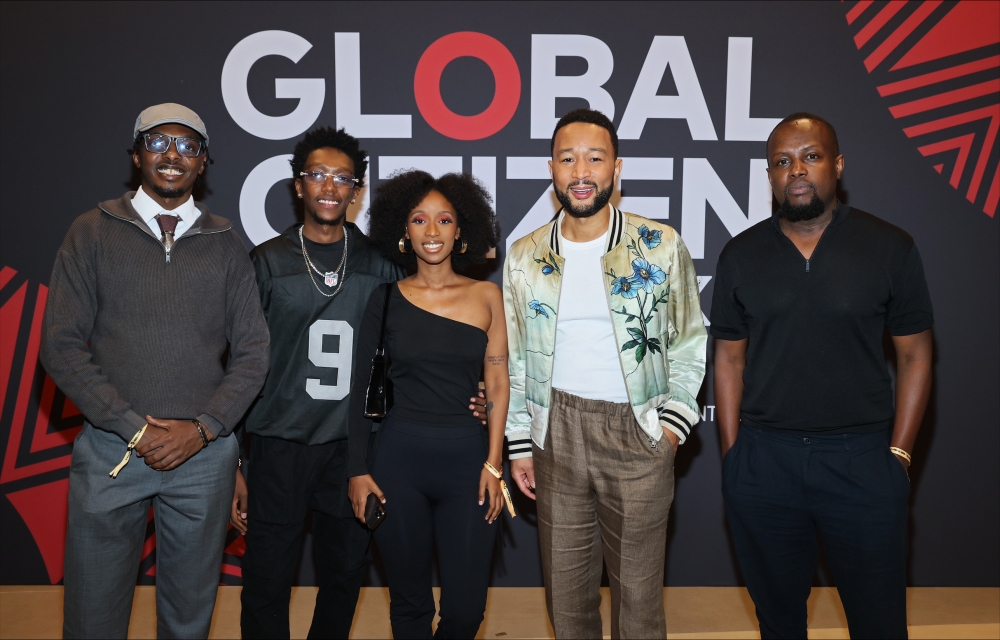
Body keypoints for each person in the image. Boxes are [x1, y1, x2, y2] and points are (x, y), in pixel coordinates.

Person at [235, 128, 489, 639]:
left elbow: (433, 329)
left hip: (357, 450)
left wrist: (475, 390)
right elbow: (240, 364)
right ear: (298, 184)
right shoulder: (265, 262)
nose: (330, 187)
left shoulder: (382, 264)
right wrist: (236, 461)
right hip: (277, 444)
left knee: (344, 580)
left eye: (343, 178)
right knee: (266, 581)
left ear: (358, 190)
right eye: (317, 175)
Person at [40, 103, 270, 639]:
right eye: (159, 142)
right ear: (137, 154)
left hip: (203, 457)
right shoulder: (92, 231)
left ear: (204, 163)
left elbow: (255, 351)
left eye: (188, 146)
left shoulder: (226, 243)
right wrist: (132, 427)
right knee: (92, 617)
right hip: (110, 450)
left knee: (189, 621)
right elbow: (61, 345)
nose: (173, 155)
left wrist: (205, 429)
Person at [711, 112, 934, 639]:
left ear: (837, 165)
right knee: (778, 624)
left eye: (810, 156)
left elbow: (916, 356)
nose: (796, 170)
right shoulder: (741, 254)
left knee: (880, 623)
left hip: (860, 461)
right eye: (782, 162)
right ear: (770, 175)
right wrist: (734, 456)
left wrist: (898, 456)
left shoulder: (890, 247)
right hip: (765, 463)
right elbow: (728, 358)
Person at [504, 108, 707, 639]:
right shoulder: (524, 257)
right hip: (556, 434)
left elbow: (690, 339)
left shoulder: (659, 245)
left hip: (638, 431)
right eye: (568, 159)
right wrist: (521, 443)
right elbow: (518, 356)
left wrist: (670, 425)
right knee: (567, 603)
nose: (581, 171)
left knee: (639, 605)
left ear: (617, 168)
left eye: (595, 158)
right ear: (552, 168)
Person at [347, 170, 508, 639]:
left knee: (464, 613)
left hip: (468, 466)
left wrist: (494, 464)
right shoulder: (385, 300)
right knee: (410, 607)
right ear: (404, 230)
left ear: (462, 231)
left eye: (444, 220)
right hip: (397, 464)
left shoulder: (487, 296)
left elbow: (497, 380)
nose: (432, 232)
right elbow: (362, 389)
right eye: (420, 220)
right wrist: (358, 470)